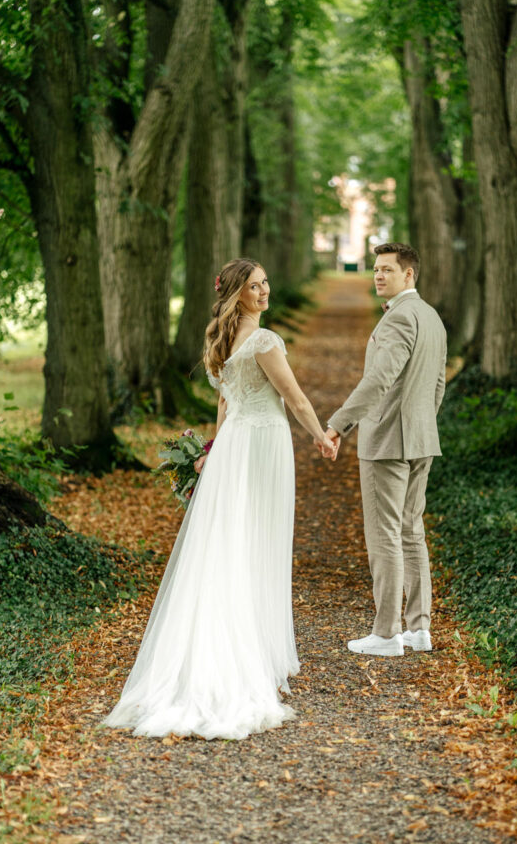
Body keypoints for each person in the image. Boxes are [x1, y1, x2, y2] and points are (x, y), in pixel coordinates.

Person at [104, 258, 337, 740]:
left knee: (234, 541)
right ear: (237, 293)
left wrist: (213, 449)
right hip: (261, 444)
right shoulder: (264, 341)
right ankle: (247, 653)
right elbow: (293, 398)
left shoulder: (222, 341)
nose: (265, 290)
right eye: (255, 285)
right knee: (258, 539)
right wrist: (321, 436)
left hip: (235, 446)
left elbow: (224, 402)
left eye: (267, 281)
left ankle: (258, 645)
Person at [325, 243, 447, 658]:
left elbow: (379, 380)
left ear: (408, 275)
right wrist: (421, 424)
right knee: (412, 533)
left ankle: (386, 633)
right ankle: (419, 630)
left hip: (388, 443)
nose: (378, 276)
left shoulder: (399, 319)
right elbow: (437, 386)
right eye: (376, 270)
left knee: (386, 537)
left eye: (387, 270)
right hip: (421, 439)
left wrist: (339, 422)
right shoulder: (431, 317)